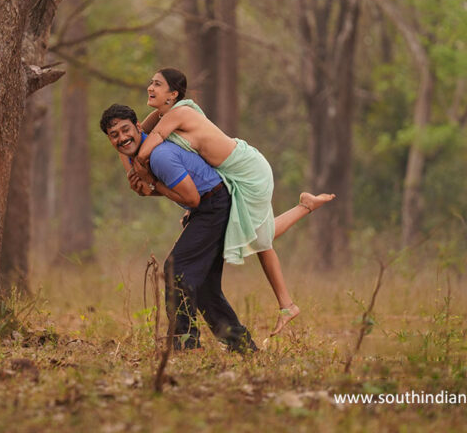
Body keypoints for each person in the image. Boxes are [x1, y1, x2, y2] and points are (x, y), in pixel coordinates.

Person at [130, 68, 335, 336]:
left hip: (248, 171)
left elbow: (145, 150)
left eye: (157, 84)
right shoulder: (163, 114)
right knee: (256, 234)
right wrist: (123, 139)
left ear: (173, 94)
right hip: (227, 173)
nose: (150, 88)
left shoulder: (179, 113)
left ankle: (287, 304)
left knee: (260, 239)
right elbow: (134, 135)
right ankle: (305, 207)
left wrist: (140, 171)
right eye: (150, 83)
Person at [100, 104, 257, 353]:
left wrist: (151, 184)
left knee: (177, 269)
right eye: (114, 135)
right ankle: (243, 346)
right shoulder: (133, 153)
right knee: (204, 285)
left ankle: (185, 344)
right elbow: (160, 187)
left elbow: (191, 198)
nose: (122, 138)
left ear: (139, 127)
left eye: (125, 130)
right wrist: (144, 187)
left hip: (213, 205)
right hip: (206, 205)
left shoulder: (159, 155)